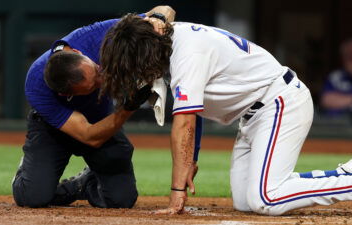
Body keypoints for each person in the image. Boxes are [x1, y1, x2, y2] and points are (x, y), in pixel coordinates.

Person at [98, 14, 352, 216]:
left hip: (279, 102)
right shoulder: (168, 40)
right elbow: (192, 114)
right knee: (245, 201)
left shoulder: (188, 53)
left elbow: (184, 122)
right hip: (254, 115)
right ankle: (333, 175)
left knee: (266, 198)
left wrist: (177, 192)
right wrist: (190, 160)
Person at [11, 6, 175, 208]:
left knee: (120, 200)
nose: (103, 79)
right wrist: (128, 107)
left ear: (79, 53)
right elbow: (89, 136)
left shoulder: (98, 36)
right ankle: (28, 175)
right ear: (67, 94)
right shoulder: (37, 87)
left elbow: (166, 9)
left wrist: (158, 18)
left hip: (100, 117)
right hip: (53, 129)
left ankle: (83, 185)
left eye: (97, 71)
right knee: (32, 197)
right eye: (95, 84)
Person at [321, 39, 352, 116]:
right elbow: (326, 100)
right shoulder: (336, 76)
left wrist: (342, 99)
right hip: (336, 123)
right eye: (348, 56)